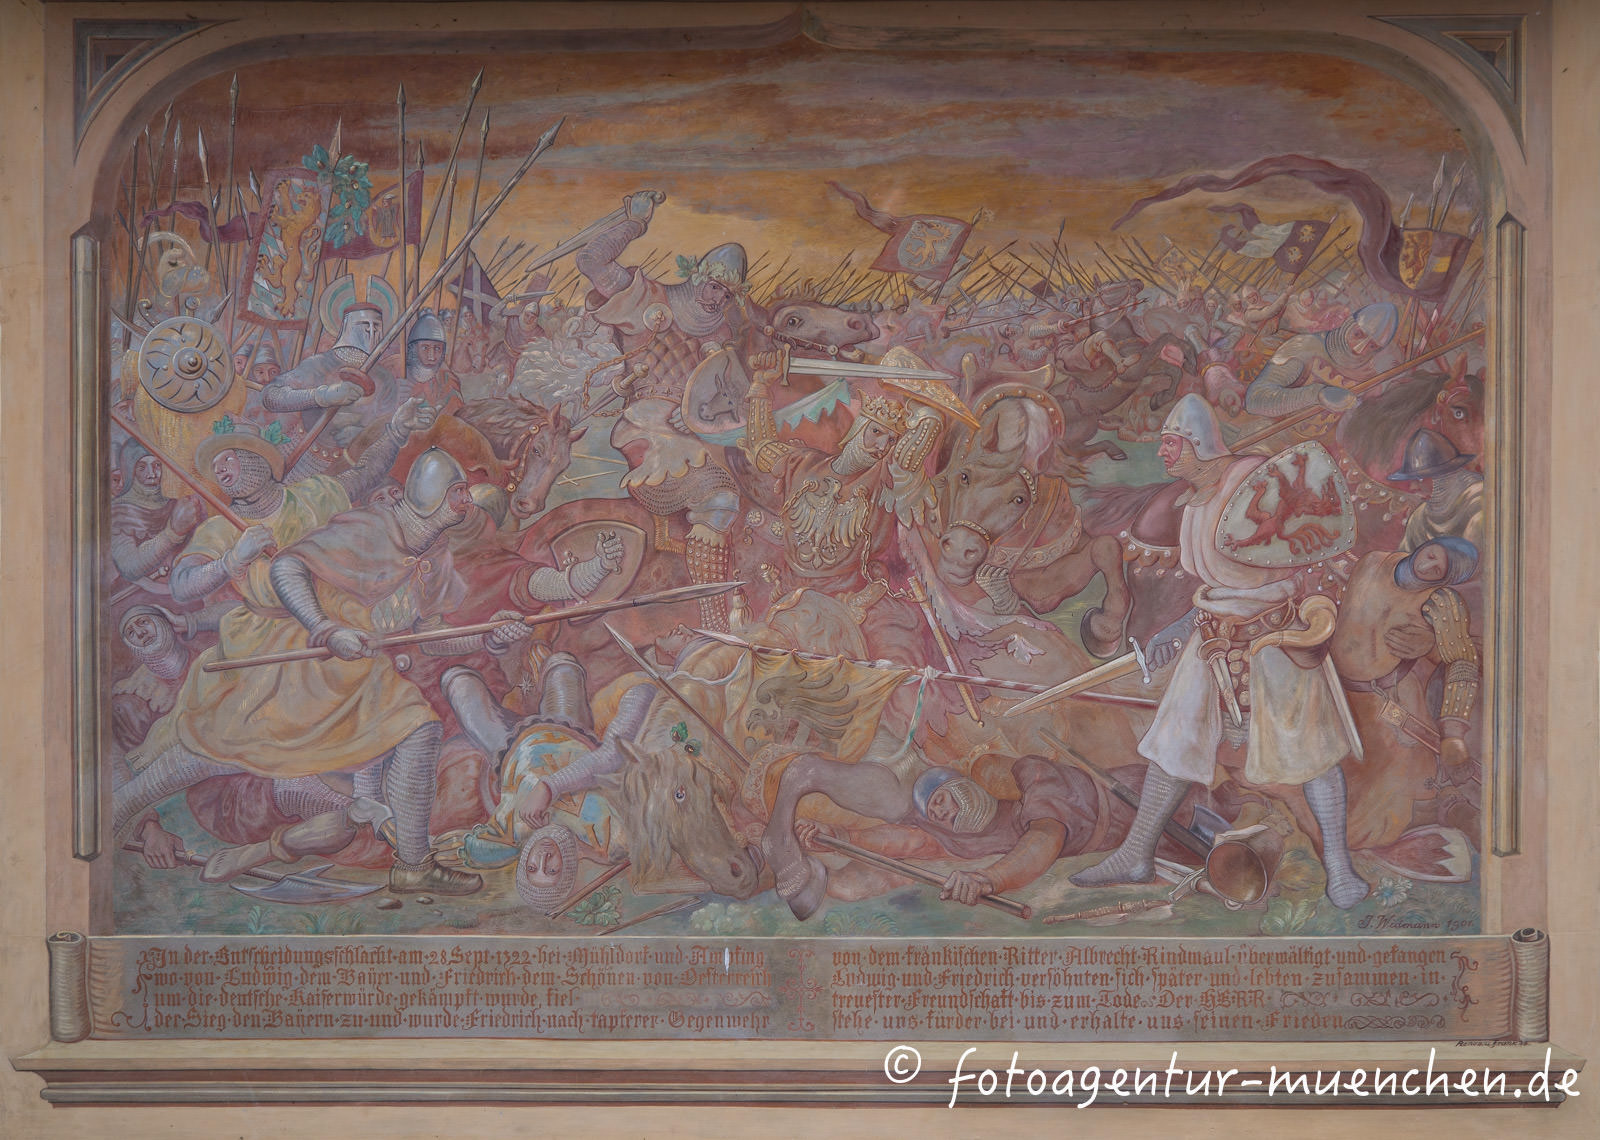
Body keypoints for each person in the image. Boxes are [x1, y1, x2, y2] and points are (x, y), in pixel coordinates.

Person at [109, 410, 509, 897]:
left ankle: (413, 862)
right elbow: (183, 584)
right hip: (268, 647)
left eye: (232, 458)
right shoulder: (220, 530)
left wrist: (396, 428)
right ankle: (121, 806)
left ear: (263, 462)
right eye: (216, 466)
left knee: (416, 728)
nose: (222, 470)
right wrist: (232, 560)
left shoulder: (315, 497)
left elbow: (364, 474)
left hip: (343, 648)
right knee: (210, 751)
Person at [1070, 394, 1370, 909]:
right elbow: (1214, 590)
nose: (1163, 454)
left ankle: (1340, 869)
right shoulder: (1193, 501)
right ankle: (1136, 854)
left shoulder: (1254, 481)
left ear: (1198, 444)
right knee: (1172, 744)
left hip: (1275, 639)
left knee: (1313, 754)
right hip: (1211, 640)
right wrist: (1175, 631)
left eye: (1171, 443)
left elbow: (1307, 549)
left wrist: (1312, 615)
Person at [576, 189, 752, 629]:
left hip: (699, 431)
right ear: (700, 276)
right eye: (715, 286)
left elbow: (730, 390)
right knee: (719, 499)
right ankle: (713, 621)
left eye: (727, 295)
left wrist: (702, 412)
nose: (718, 300)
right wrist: (635, 223)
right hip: (649, 427)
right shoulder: (646, 297)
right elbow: (591, 261)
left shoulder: (721, 329)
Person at [1330, 537, 1481, 847]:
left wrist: (1453, 734)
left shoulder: (1441, 603)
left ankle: (1449, 808)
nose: (1428, 566)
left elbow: (1463, 662)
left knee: (1367, 823)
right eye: (1431, 555)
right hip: (1333, 694)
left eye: (1439, 570)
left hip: (1387, 707)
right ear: (1426, 546)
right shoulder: (1372, 562)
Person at [262, 300, 396, 473]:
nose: (371, 331)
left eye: (376, 325)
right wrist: (323, 396)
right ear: (347, 327)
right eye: (364, 324)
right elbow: (270, 395)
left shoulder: (385, 379)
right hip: (304, 458)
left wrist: (364, 435)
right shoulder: (318, 365)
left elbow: (390, 427)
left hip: (355, 468)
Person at [1244, 302, 1397, 417]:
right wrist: (1316, 394)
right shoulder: (1304, 347)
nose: (1359, 349)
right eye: (1358, 334)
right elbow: (1255, 399)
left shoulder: (1370, 376)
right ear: (1349, 324)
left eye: (1371, 346)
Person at [1389, 428, 1485, 552]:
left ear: (1442, 476)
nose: (1413, 487)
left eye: (1419, 478)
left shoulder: (1481, 501)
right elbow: (1405, 558)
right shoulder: (1419, 520)